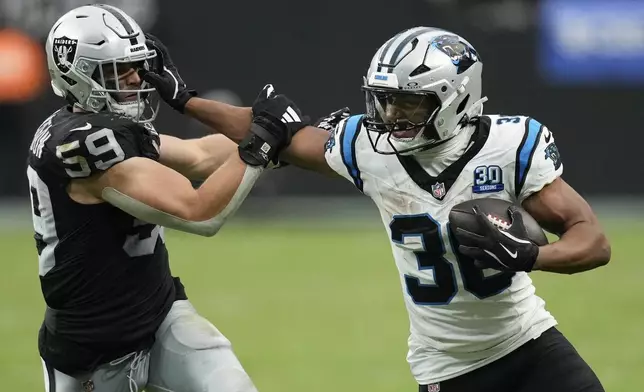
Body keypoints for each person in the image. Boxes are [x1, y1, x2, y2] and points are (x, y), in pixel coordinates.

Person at [143, 27, 611, 392]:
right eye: (385, 101)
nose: (391, 118)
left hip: (528, 341)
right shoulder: (370, 149)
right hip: (448, 366)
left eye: (408, 103)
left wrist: (531, 257)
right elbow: (274, 129)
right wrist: (187, 100)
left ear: (456, 97)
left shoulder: (509, 146)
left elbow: (592, 239)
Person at [28, 4, 304, 391]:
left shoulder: (112, 129)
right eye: (117, 72)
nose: (135, 81)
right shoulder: (80, 144)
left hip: (160, 316)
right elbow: (199, 212)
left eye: (135, 68)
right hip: (91, 349)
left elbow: (202, 156)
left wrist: (287, 133)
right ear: (78, 76)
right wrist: (261, 145)